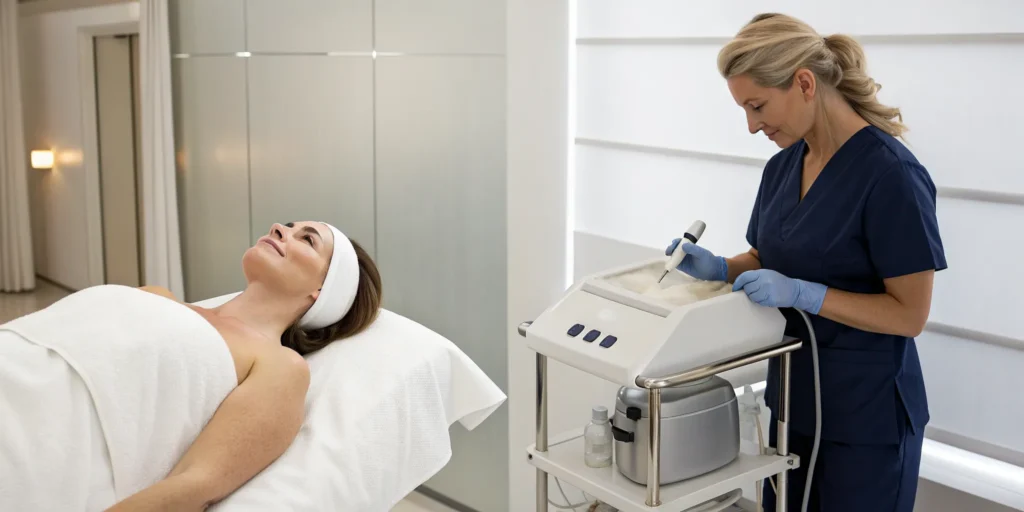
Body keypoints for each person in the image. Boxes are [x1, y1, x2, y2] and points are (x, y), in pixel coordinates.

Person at [665, 13, 946, 512]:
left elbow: (910, 314)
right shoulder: (783, 166)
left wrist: (804, 294)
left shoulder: (892, 176)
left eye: (757, 106)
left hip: (867, 419)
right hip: (793, 404)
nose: (752, 125)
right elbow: (764, 258)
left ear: (804, 83)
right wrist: (719, 268)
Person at [106, 221, 383, 510]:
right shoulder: (156, 296)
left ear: (322, 289)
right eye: (288, 226)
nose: (278, 227)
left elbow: (194, 485)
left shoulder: (278, 366)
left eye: (308, 240)